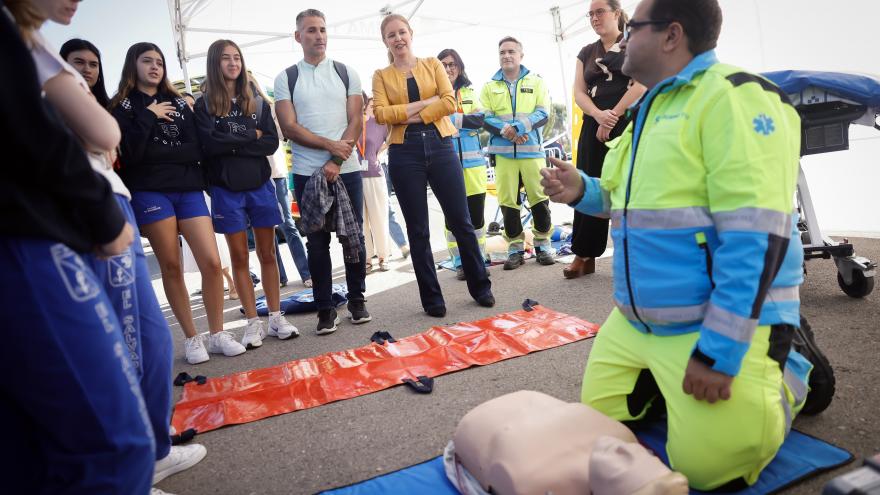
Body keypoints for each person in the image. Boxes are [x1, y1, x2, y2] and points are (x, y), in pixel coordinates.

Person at [539, 0, 831, 489]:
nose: (623, 38)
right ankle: (666, 381)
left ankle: (791, 368)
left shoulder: (735, 98)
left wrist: (719, 351)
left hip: (716, 318)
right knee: (595, 430)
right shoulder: (651, 106)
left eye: (634, 27)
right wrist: (581, 190)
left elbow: (756, 236)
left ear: (672, 35)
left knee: (710, 470)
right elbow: (626, 199)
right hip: (637, 319)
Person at [0, 0, 153, 492]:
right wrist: (102, 216)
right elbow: (34, 132)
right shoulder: (21, 42)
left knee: (28, 451)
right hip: (28, 238)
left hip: (39, 227)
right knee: (113, 446)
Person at [58, 36, 205, 484]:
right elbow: (120, 146)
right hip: (93, 214)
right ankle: (136, 457)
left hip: (112, 205)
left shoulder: (108, 104)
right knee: (127, 341)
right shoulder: (51, 92)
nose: (85, 71)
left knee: (148, 339)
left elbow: (122, 149)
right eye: (75, 64)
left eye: (91, 64)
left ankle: (148, 445)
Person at [109, 42, 238, 365]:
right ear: (132, 64)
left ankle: (217, 333)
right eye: (147, 61)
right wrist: (149, 118)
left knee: (210, 262)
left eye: (159, 62)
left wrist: (157, 154)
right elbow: (130, 154)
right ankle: (192, 339)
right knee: (171, 266)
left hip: (189, 190)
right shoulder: (122, 107)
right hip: (150, 193)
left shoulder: (180, 103)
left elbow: (195, 149)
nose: (155, 67)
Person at [372, 14, 494, 317]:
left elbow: (449, 103)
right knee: (418, 230)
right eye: (391, 35)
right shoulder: (381, 75)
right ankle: (432, 299)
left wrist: (406, 112)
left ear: (411, 33)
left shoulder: (433, 64)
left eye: (402, 32)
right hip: (404, 151)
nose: (398, 38)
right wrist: (424, 105)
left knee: (462, 221)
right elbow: (382, 115)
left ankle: (481, 286)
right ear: (385, 40)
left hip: (440, 145)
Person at [195, 39, 300, 346]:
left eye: (237, 57)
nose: (233, 63)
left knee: (268, 253)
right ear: (215, 63)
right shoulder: (204, 104)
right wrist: (246, 134)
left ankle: (276, 317)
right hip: (226, 190)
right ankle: (252, 322)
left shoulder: (255, 99)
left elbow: (270, 142)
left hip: (260, 185)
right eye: (226, 58)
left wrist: (230, 136)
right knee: (240, 257)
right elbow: (209, 145)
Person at [274, 9, 371, 334]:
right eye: (311, 30)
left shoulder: (346, 72)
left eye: (323, 29)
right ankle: (325, 309)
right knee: (317, 243)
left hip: (348, 169)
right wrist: (331, 146)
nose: (319, 35)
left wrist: (337, 159)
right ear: (298, 36)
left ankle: (357, 300)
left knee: (353, 238)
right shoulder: (286, 77)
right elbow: (289, 126)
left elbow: (356, 120)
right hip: (305, 173)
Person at [566, 0, 645, 279]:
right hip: (594, 120)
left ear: (616, 12)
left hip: (628, 117)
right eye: (590, 14)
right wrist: (599, 116)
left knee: (629, 186)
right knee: (588, 183)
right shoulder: (586, 52)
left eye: (600, 11)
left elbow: (642, 83)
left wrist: (614, 115)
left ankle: (634, 256)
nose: (594, 18)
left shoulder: (635, 42)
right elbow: (579, 92)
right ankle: (584, 254)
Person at [481, 36, 555, 270]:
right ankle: (515, 248)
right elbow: (484, 117)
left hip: (532, 153)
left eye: (511, 51)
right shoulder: (489, 86)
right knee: (507, 203)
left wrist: (519, 128)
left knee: (540, 199)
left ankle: (543, 245)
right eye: (502, 52)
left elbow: (544, 112)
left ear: (521, 55)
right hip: (503, 155)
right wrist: (507, 131)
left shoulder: (536, 81)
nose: (506, 55)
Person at [248, 73, 312, 289]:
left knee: (288, 224)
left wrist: (257, 134)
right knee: (265, 228)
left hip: (276, 173)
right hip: (255, 176)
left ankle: (306, 273)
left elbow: (277, 136)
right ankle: (279, 277)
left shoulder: (270, 107)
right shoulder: (236, 111)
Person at [438, 48, 488, 281]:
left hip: (474, 164)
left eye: (452, 64)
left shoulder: (470, 91)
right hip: (445, 164)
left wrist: (451, 119)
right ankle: (459, 262)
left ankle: (478, 260)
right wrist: (464, 120)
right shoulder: (434, 94)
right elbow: (434, 119)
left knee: (476, 217)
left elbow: (480, 120)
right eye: (444, 64)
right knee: (452, 217)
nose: (448, 69)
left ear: (459, 66)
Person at [358, 93, 392, 273]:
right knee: (361, 222)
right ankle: (366, 258)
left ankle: (383, 256)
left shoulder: (380, 123)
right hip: (355, 177)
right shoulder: (352, 123)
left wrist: (379, 154)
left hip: (374, 174)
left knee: (379, 217)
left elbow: (392, 138)